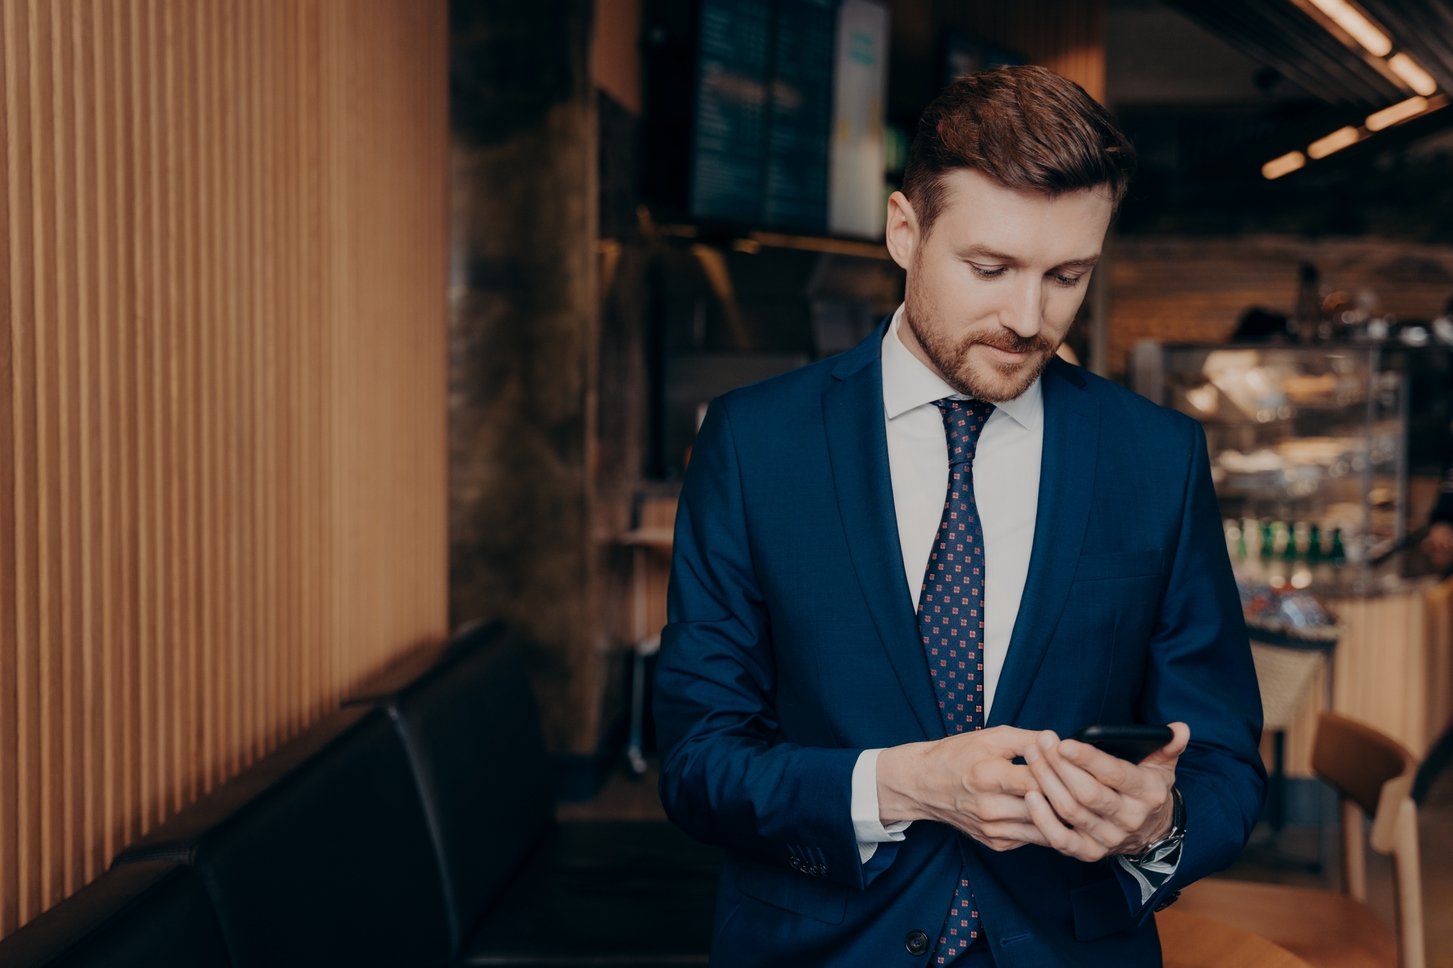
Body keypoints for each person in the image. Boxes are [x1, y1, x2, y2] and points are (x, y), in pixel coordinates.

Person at [654, 65, 1266, 967]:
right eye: (989, 268)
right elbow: (697, 761)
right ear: (904, 231)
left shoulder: (1155, 457)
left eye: (1067, 275)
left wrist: (1158, 824)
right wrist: (900, 785)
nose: (1027, 317)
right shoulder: (754, 443)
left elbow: (1222, 760)